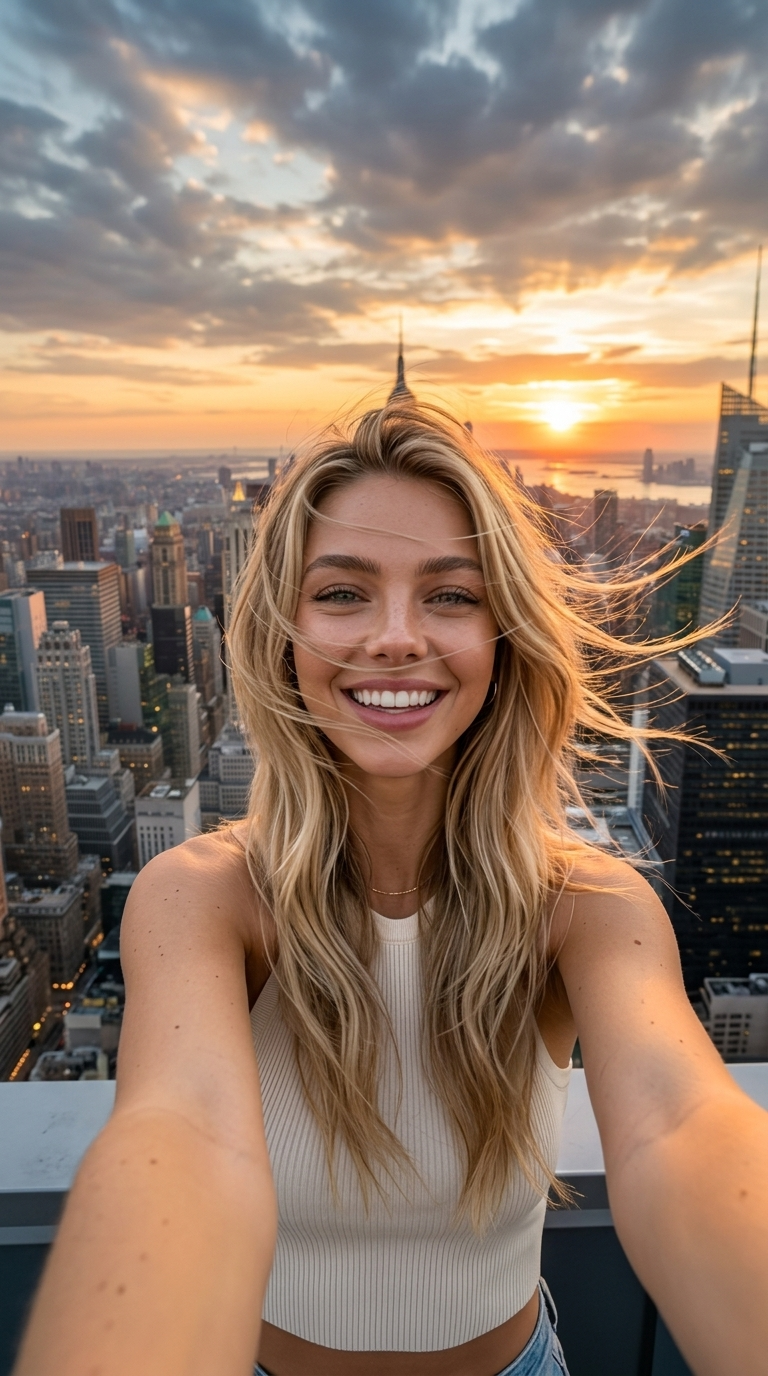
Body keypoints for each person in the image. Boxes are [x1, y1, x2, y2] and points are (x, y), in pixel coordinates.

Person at [15, 404, 768, 1376]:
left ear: (503, 638)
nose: (397, 637)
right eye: (343, 593)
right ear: (285, 633)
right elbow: (182, 1133)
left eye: (451, 596)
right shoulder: (200, 896)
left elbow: (681, 1121)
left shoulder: (589, 904)